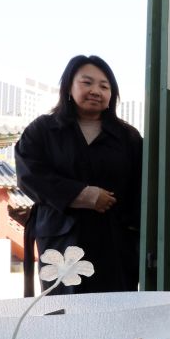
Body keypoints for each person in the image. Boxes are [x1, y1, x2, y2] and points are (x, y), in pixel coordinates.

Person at [16, 55, 142, 296]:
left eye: (104, 86)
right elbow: (29, 175)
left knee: (114, 306)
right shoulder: (43, 129)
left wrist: (134, 231)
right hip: (61, 237)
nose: (96, 91)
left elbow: (141, 189)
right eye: (87, 83)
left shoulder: (129, 137)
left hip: (114, 240)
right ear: (69, 87)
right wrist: (82, 195)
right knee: (64, 307)